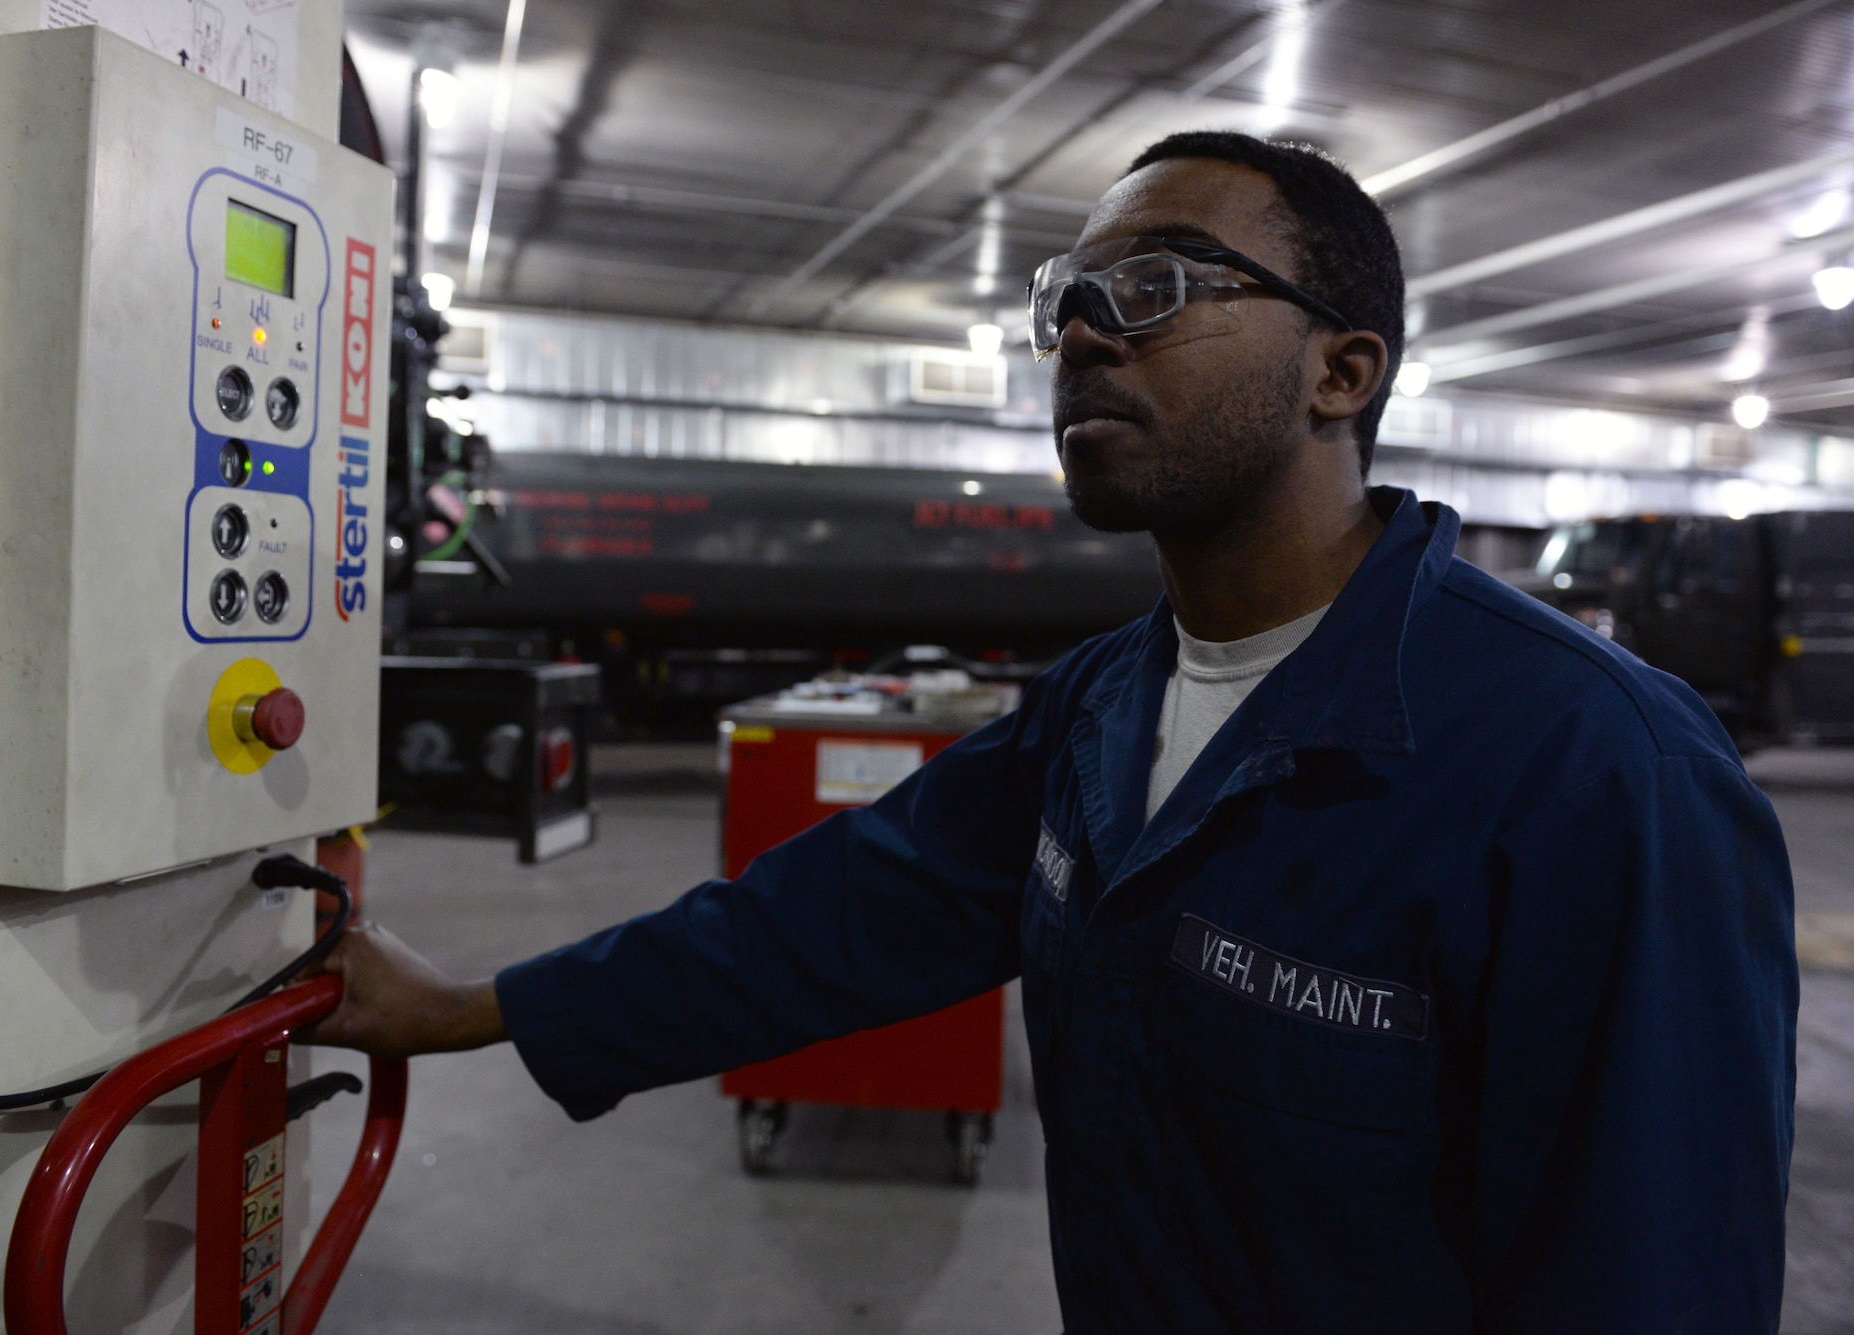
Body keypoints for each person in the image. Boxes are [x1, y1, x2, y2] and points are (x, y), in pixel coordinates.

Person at [305, 132, 1797, 1332]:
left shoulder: (1598, 770)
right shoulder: (1102, 709)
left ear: (1344, 372)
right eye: (1066, 298)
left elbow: (1654, 1269)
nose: (1083, 327)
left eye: (1159, 284)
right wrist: (471, 1009)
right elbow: (822, 922)